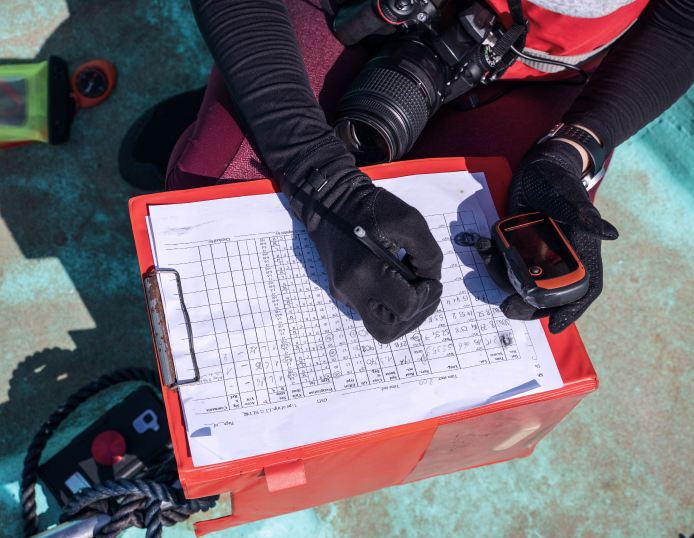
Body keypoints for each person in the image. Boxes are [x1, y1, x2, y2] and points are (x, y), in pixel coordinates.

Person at [119, 0, 694, 343]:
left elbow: (682, 23)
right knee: (214, 192)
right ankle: (266, 85)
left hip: (536, 77)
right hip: (349, 14)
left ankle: (268, 94)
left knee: (501, 285)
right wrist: (320, 178)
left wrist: (571, 151)